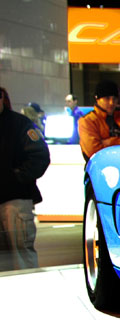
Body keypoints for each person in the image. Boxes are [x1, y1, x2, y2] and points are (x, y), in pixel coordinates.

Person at [0, 85, 50, 271]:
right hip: (13, 197)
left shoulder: (19, 124)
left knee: (22, 256)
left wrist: (16, 177)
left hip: (16, 200)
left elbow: (39, 157)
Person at [78, 80, 120, 161]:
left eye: (114, 98)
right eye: (107, 98)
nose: (111, 102)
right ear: (97, 99)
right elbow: (93, 151)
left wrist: (111, 142)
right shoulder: (87, 121)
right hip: (98, 168)